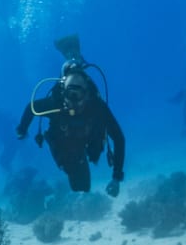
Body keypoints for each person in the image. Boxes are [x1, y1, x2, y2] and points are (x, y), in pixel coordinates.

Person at [17, 34, 125, 195]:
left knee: (84, 182)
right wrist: (22, 129)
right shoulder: (56, 102)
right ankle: (70, 51)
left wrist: (116, 177)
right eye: (70, 95)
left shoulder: (96, 105)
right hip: (65, 143)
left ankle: (72, 51)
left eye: (79, 96)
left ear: (87, 94)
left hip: (87, 140)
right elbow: (30, 108)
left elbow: (118, 138)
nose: (74, 102)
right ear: (63, 92)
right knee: (78, 183)